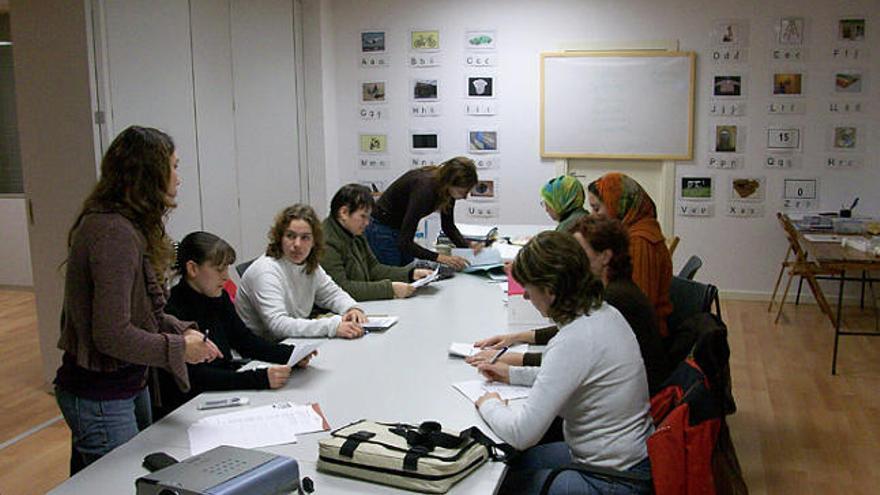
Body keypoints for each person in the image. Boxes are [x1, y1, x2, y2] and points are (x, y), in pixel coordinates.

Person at [53, 126, 222, 475]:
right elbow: (111, 334)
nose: (179, 177)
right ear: (149, 174)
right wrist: (178, 347)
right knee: (122, 482)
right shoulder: (113, 232)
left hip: (126, 383)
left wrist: (185, 334)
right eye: (174, 167)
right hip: (101, 394)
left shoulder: (127, 226)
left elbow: (147, 312)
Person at [474, 231, 653, 495]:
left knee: (499, 485)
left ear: (550, 291)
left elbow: (522, 434)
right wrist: (512, 374)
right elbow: (567, 377)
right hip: (628, 461)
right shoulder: (603, 313)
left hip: (613, 480)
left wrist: (488, 403)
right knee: (512, 464)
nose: (525, 296)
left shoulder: (575, 339)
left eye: (528, 288)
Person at [470, 215, 671, 395]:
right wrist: (515, 337)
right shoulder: (609, 289)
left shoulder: (614, 299)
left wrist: (511, 360)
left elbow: (568, 361)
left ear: (605, 256)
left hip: (640, 394)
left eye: (580, 251)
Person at [154, 232, 317, 419]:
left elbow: (243, 340)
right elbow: (196, 377)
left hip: (224, 389)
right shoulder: (172, 311)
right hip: (192, 406)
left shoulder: (218, 296)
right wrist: (259, 379)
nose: (226, 277)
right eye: (219, 269)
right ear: (192, 269)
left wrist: (290, 355)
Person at [235, 204, 367, 340]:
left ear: (314, 241)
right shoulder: (265, 271)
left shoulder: (309, 264)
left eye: (305, 237)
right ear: (280, 238)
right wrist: (331, 326)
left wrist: (351, 309)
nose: (297, 244)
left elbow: (332, 294)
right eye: (290, 236)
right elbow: (278, 325)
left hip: (293, 341)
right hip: (263, 351)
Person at [587, 172, 673, 337]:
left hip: (642, 338)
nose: (592, 215)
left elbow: (636, 307)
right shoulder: (634, 231)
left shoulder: (640, 242)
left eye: (596, 208)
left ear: (616, 205)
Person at [364, 157, 481, 270]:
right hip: (381, 229)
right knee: (395, 278)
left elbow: (448, 227)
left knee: (408, 274)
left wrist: (468, 249)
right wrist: (441, 258)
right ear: (449, 182)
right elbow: (405, 242)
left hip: (399, 230)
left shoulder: (446, 190)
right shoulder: (425, 189)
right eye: (462, 192)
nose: (465, 197)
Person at [322, 184, 434, 301]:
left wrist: (410, 274)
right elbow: (341, 289)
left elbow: (374, 269)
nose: (367, 223)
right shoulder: (327, 242)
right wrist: (390, 289)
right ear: (344, 212)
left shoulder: (354, 233)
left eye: (368, 218)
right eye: (363, 217)